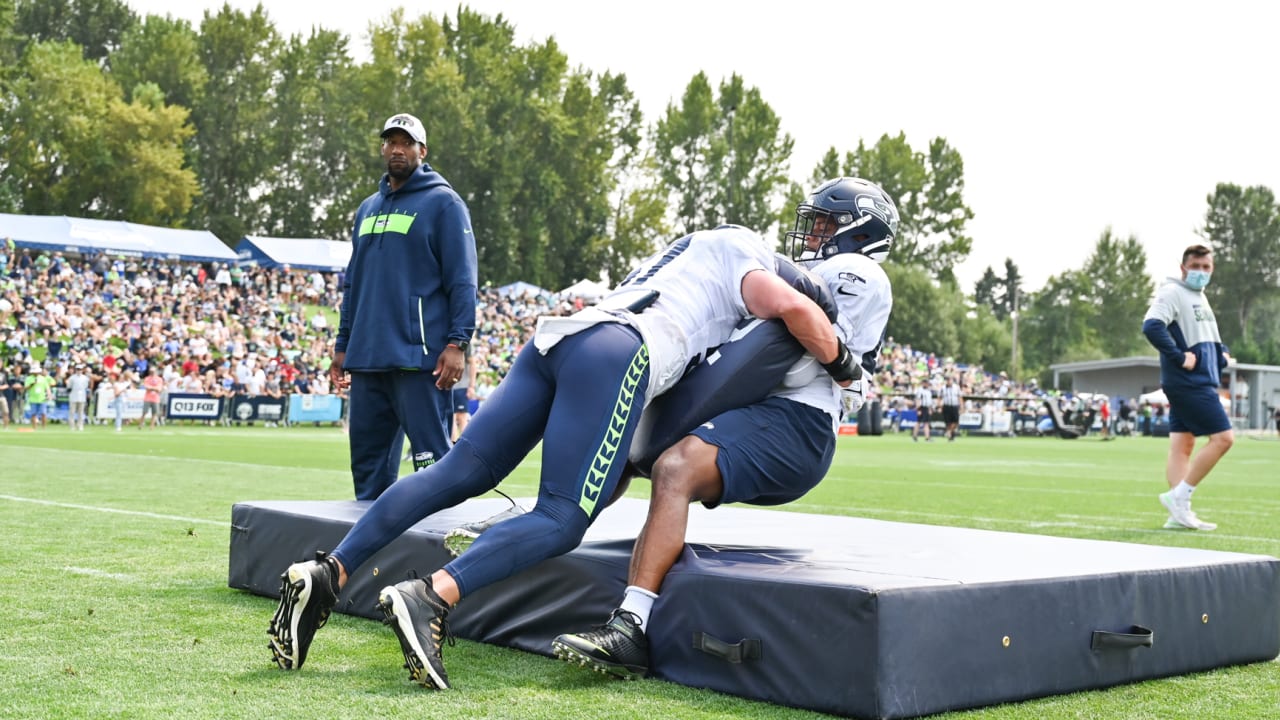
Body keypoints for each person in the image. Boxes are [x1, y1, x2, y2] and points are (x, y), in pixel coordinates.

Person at [266, 223, 861, 689]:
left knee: (459, 470)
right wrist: (845, 365)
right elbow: (794, 310)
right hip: (615, 355)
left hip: (560, 338)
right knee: (562, 517)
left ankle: (330, 571)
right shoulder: (743, 255)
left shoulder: (686, 250)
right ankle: (430, 596)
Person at [550, 177, 897, 680]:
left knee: (676, 468)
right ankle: (547, 527)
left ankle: (632, 627)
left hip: (799, 420)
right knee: (626, 444)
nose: (814, 233)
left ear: (859, 230)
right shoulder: (811, 269)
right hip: (761, 404)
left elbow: (801, 348)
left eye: (825, 223)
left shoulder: (857, 270)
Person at [332, 112, 478, 501]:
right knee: (367, 475)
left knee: (432, 473)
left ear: (422, 150)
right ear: (383, 148)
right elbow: (354, 284)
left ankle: (440, 559)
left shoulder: (444, 203)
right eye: (391, 142)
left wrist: (457, 342)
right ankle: (367, 560)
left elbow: (463, 279)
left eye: (406, 142)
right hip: (366, 360)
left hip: (419, 361)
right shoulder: (366, 210)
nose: (398, 149)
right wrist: (342, 345)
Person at [1143, 244, 1234, 531]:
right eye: (1196, 266)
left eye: (1206, 267)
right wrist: (1180, 357)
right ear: (1183, 268)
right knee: (1224, 439)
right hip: (1189, 382)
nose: (1201, 272)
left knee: (1182, 446)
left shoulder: (1199, 297)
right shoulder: (1173, 292)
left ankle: (1177, 515)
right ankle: (1179, 496)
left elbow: (1203, 336)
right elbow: (1151, 325)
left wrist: (1221, 354)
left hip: (1192, 380)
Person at [23, 363, 54, 428]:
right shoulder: (29, 378)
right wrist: (32, 384)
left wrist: (49, 395)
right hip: (33, 399)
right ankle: (34, 427)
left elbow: (47, 388)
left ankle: (43, 428)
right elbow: (26, 388)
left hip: (42, 399)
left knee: (43, 413)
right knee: (33, 414)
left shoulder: (43, 378)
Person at [67, 363, 91, 431]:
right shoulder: (72, 378)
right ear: (76, 370)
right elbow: (69, 386)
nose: (79, 370)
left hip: (82, 396)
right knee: (72, 412)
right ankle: (72, 426)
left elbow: (86, 386)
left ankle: (80, 425)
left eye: (80, 369)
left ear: (82, 370)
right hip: (73, 395)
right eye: (77, 369)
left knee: (81, 412)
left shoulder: (85, 378)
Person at [940, 375, 961, 441]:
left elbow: (960, 397)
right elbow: (939, 397)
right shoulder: (943, 388)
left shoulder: (956, 387)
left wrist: (962, 406)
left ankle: (948, 432)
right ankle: (951, 437)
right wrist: (940, 406)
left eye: (950, 380)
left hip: (954, 406)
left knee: (956, 422)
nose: (949, 381)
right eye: (948, 380)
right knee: (948, 422)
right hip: (947, 406)